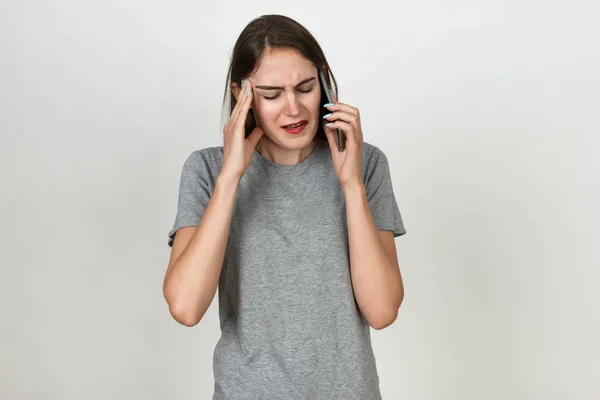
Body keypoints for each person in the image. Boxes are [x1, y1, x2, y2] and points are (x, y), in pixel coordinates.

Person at [164, 14, 407, 400]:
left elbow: (382, 311)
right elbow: (186, 307)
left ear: (323, 78)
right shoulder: (207, 171)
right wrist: (230, 178)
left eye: (305, 88)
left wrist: (351, 185)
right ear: (241, 93)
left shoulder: (365, 163)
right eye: (272, 94)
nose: (293, 108)